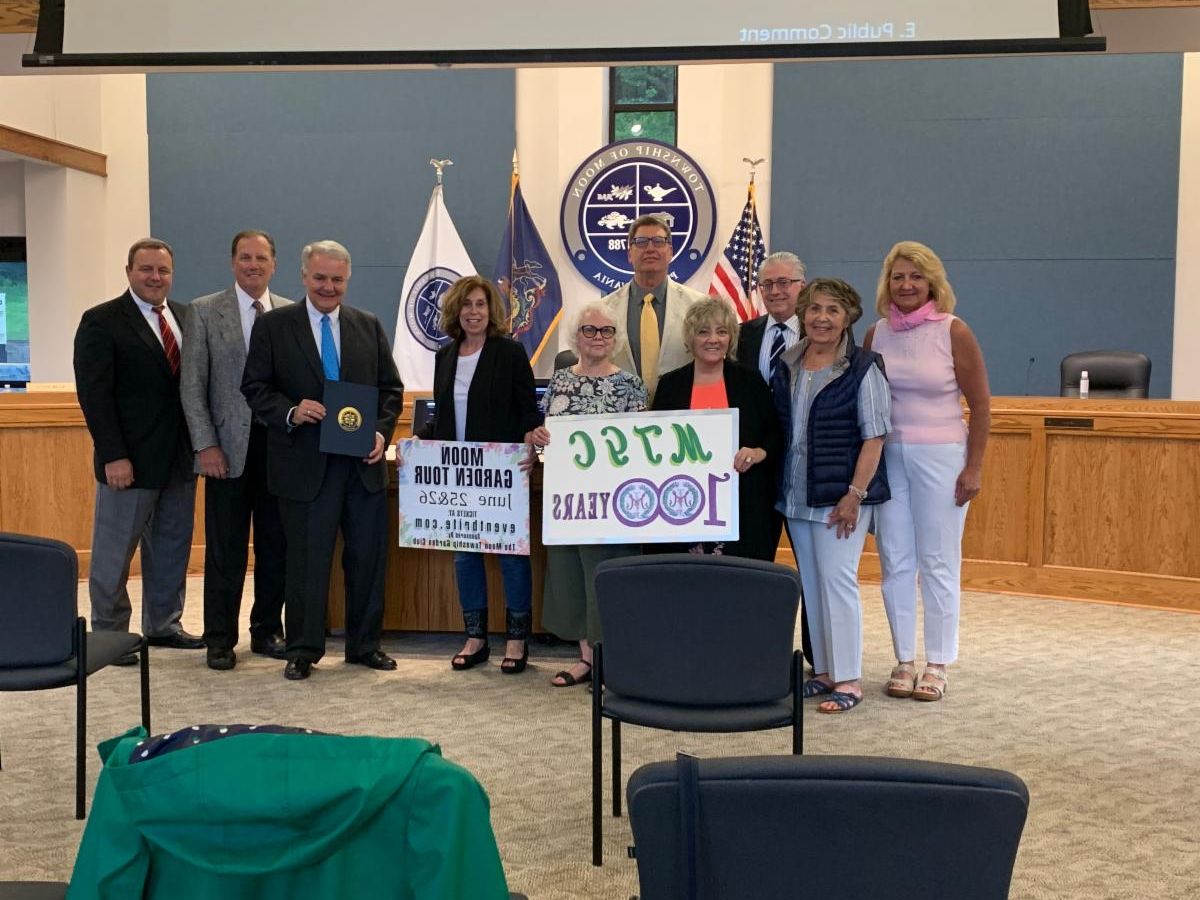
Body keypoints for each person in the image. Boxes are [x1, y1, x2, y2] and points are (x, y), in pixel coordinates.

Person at [240, 240, 404, 681]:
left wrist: (380, 432)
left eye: (337, 279)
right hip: (303, 466)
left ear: (347, 280)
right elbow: (254, 387)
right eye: (320, 278)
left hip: (362, 467)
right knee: (306, 564)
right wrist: (291, 411)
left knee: (367, 560)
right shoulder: (274, 326)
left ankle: (365, 646)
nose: (328, 287)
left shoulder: (367, 325)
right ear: (303, 276)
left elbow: (391, 390)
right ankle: (303, 649)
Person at [864, 241, 990, 702]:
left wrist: (973, 467)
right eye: (898, 276)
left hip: (943, 456)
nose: (906, 285)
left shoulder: (953, 331)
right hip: (890, 457)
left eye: (916, 276)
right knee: (895, 559)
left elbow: (981, 405)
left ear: (932, 282)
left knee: (938, 560)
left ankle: (937, 662)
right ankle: (904, 659)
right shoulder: (876, 334)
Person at [73, 238, 203, 663]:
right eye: (146, 269)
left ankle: (164, 625)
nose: (154, 277)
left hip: (180, 458)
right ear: (129, 271)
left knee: (171, 547)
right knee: (113, 554)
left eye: (163, 270)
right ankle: (110, 635)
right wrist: (113, 455)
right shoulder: (101, 321)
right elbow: (95, 396)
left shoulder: (186, 317)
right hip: (127, 461)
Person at [415, 275, 542, 675]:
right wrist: (418, 440)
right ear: (456, 311)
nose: (474, 312)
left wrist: (531, 444)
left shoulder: (510, 352)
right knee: (465, 555)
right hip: (457, 473)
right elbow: (443, 416)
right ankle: (476, 638)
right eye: (467, 304)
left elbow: (528, 412)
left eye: (481, 304)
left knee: (511, 557)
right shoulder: (445, 355)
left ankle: (517, 639)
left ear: (491, 311)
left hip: (501, 471)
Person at [777, 278, 891, 713]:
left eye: (833, 310)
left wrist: (854, 495)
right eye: (814, 309)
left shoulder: (864, 367)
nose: (821, 318)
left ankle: (849, 679)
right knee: (812, 583)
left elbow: (875, 437)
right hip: (797, 494)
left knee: (838, 582)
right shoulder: (788, 361)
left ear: (848, 318)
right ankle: (824, 670)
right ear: (802, 314)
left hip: (841, 498)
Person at [181, 230, 291, 671]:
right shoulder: (205, 311)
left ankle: (266, 630)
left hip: (279, 448)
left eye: (261, 258)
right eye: (245, 257)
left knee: (275, 546)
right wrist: (206, 444)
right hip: (225, 450)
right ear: (233, 263)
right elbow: (192, 386)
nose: (253, 265)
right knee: (225, 549)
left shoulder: (290, 312)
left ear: (274, 264)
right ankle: (220, 639)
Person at [526, 302, 647, 687]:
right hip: (568, 500)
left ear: (616, 338)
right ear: (576, 337)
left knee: (608, 576)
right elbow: (545, 435)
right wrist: (536, 437)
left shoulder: (631, 384)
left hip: (615, 502)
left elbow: (643, 445)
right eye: (589, 330)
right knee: (571, 575)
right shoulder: (560, 381)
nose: (598, 337)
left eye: (606, 330)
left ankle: (613, 660)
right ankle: (586, 659)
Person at [652, 298, 782, 561]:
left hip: (743, 504)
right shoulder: (670, 385)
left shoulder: (750, 381)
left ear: (731, 337)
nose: (713, 339)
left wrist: (758, 452)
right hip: (683, 504)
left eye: (721, 331)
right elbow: (655, 445)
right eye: (703, 332)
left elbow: (775, 434)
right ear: (690, 338)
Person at [736, 250, 814, 664]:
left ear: (802, 286)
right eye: (767, 284)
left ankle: (820, 659)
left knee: (814, 569)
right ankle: (755, 654)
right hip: (757, 469)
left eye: (785, 283)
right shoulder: (744, 335)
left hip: (807, 466)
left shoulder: (823, 332)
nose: (776, 291)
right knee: (754, 567)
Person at [602, 214, 706, 401]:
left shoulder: (699, 306)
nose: (650, 249)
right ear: (629, 254)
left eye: (658, 241)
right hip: (622, 411)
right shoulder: (604, 310)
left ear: (670, 251)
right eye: (641, 242)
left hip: (680, 410)